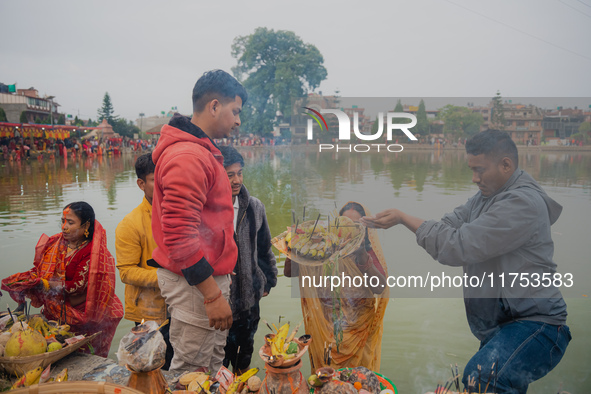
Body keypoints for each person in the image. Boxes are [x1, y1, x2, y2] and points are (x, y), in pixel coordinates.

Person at [361, 130, 571, 394]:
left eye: (480, 170)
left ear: (506, 165)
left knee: (480, 377)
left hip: (537, 325)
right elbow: (449, 224)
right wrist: (442, 230)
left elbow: (456, 246)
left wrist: (404, 218)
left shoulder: (522, 204)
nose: (474, 178)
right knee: (482, 383)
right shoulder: (485, 197)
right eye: (471, 170)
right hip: (504, 328)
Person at [150, 69, 247, 373]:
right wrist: (212, 295)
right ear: (214, 106)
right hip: (195, 286)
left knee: (211, 363)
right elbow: (179, 236)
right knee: (190, 372)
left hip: (202, 282)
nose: (238, 121)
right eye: (235, 111)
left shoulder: (202, 151)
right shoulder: (188, 157)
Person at [1, 202, 123, 357]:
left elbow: (76, 286)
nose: (63, 227)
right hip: (56, 310)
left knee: (82, 357)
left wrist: (45, 284)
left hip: (82, 315)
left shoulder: (92, 252)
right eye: (63, 221)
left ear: (86, 226)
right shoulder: (56, 244)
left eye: (70, 223)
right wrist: (27, 280)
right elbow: (41, 270)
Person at [284, 202, 389, 372]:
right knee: (325, 380)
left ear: (365, 230)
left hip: (358, 331)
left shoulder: (367, 252)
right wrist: (296, 248)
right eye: (344, 224)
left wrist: (361, 254)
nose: (349, 231)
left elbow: (379, 287)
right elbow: (290, 271)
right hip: (325, 328)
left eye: (356, 226)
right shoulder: (325, 251)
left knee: (358, 381)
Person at [218, 146, 277, 374]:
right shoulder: (210, 210)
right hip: (222, 305)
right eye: (229, 174)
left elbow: (264, 249)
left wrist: (268, 281)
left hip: (250, 300)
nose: (236, 180)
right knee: (221, 363)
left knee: (245, 358)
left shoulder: (254, 207)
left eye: (239, 173)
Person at [115, 153, 173, 370]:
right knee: (153, 367)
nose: (164, 185)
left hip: (179, 306)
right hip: (149, 312)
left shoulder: (177, 214)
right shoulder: (130, 224)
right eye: (155, 180)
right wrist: (167, 277)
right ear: (141, 183)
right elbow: (126, 272)